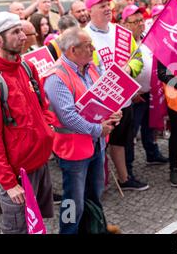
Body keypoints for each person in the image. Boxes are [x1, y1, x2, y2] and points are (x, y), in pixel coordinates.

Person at [43, 27, 122, 234]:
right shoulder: (56, 77)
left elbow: (102, 98)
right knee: (72, 200)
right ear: (72, 50)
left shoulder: (90, 67)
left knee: (94, 193)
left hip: (96, 144)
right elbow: (67, 117)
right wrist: (98, 129)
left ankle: (94, 228)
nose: (93, 49)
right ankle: (69, 232)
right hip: (74, 150)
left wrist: (114, 113)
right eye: (88, 46)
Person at [0, 12, 56, 234]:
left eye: (22, 30)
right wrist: (9, 183)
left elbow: (44, 105)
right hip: (18, 175)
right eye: (15, 32)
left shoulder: (27, 67)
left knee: (37, 225)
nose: (23, 37)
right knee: (17, 230)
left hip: (40, 164)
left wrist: (47, 129)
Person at [84, 0, 147, 191]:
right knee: (97, 143)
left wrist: (129, 68)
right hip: (99, 101)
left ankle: (124, 178)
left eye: (108, 5)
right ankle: (96, 183)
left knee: (120, 140)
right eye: (101, 5)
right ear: (90, 10)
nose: (106, 9)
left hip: (124, 99)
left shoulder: (122, 33)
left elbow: (138, 59)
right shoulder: (84, 36)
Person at [122, 5, 169, 172]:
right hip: (134, 96)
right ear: (126, 24)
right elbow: (120, 69)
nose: (141, 24)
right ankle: (127, 167)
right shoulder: (123, 43)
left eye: (141, 20)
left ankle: (152, 153)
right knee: (131, 133)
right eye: (136, 21)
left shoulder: (147, 37)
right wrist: (130, 91)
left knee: (150, 125)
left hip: (150, 91)